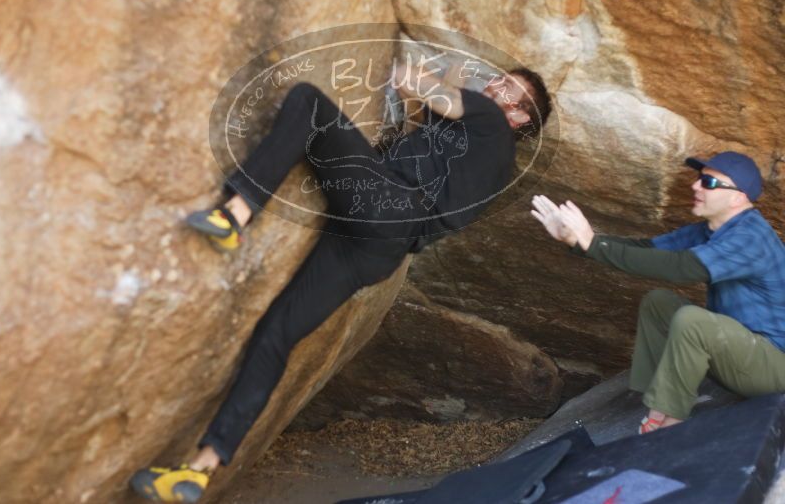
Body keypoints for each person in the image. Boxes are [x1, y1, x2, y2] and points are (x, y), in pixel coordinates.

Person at [130, 61, 552, 502]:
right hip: (379, 250)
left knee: (309, 102)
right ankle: (200, 469)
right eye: (499, 78)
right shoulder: (488, 157)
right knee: (277, 334)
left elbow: (414, 84)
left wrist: (422, 73)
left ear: (520, 118)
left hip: (387, 204)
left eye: (508, 88)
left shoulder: (489, 120)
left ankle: (235, 214)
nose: (495, 84)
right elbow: (428, 121)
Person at [531, 151, 785, 435]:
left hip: (775, 367)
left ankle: (669, 426)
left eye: (709, 183)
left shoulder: (751, 237)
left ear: (738, 197)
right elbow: (648, 249)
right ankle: (656, 401)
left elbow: (683, 268)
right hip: (741, 355)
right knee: (659, 302)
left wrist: (593, 245)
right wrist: (579, 241)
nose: (695, 186)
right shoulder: (711, 229)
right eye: (699, 179)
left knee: (691, 320)